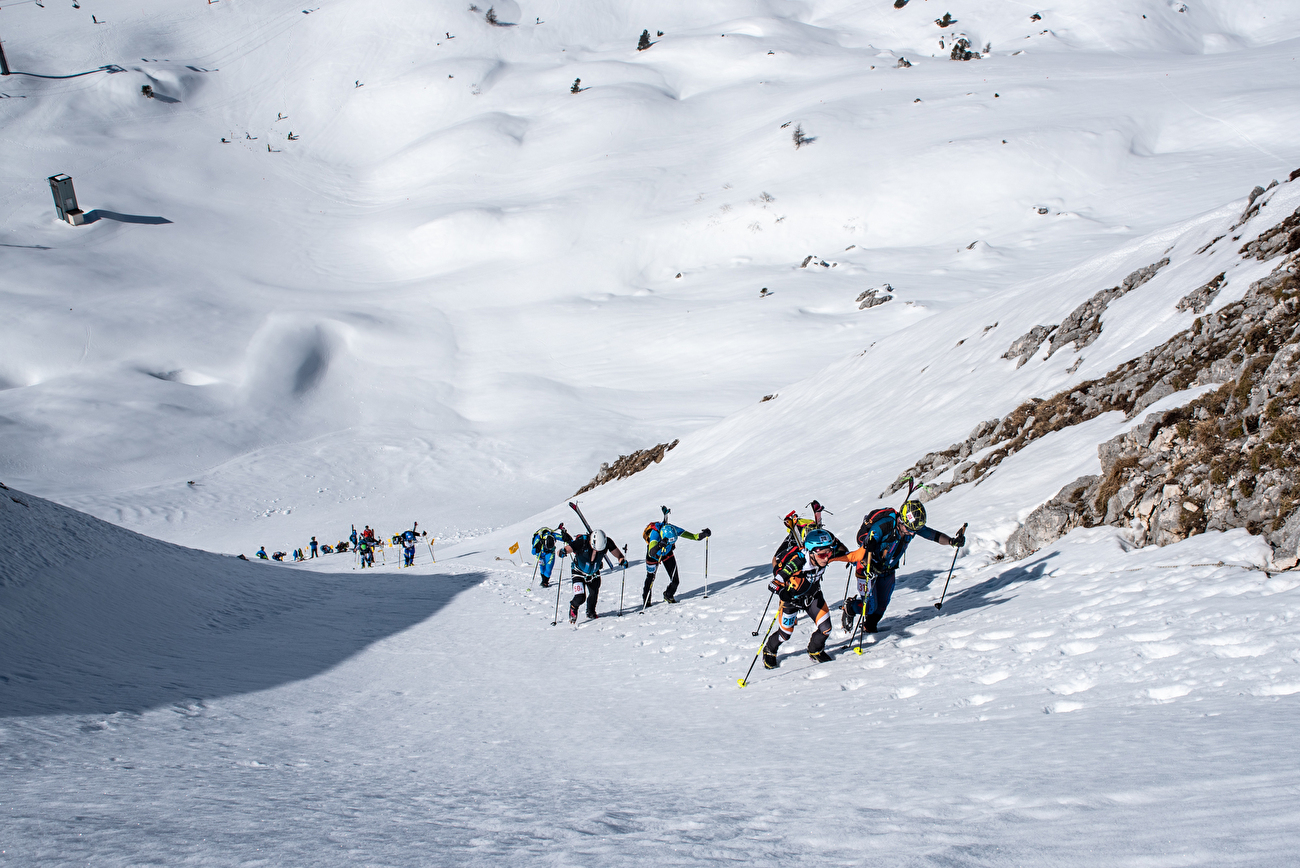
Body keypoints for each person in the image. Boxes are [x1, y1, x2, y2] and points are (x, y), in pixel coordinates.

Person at [841, 500, 965, 634]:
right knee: (870, 607)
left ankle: (869, 627)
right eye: (909, 530)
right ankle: (850, 607)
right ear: (901, 521)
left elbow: (933, 535)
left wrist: (952, 541)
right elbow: (864, 548)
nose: (912, 533)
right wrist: (870, 563)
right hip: (867, 568)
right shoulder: (883, 526)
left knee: (882, 605)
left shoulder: (911, 526)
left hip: (888, 570)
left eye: (914, 530)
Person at [763, 527, 859, 668]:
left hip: (813, 597)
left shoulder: (824, 556)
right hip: (792, 601)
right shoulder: (797, 562)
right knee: (785, 634)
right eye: (822, 555)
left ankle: (815, 650)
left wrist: (868, 545)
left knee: (826, 629)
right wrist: (783, 593)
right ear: (811, 552)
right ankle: (770, 649)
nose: (826, 558)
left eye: (829, 553)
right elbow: (774, 584)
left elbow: (854, 556)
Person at [560, 527, 627, 623]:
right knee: (580, 597)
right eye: (595, 549)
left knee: (594, 593)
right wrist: (562, 552)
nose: (597, 551)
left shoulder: (607, 542)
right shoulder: (582, 542)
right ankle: (573, 607)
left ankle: (590, 612)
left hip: (594, 573)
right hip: (578, 572)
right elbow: (567, 549)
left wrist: (622, 560)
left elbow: (619, 555)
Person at [642, 520, 710, 606]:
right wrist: (659, 545)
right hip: (654, 556)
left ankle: (668, 595)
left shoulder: (674, 529)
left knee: (675, 580)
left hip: (667, 553)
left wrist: (703, 534)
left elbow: (693, 536)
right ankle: (646, 601)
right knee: (650, 578)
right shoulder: (655, 534)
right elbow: (651, 552)